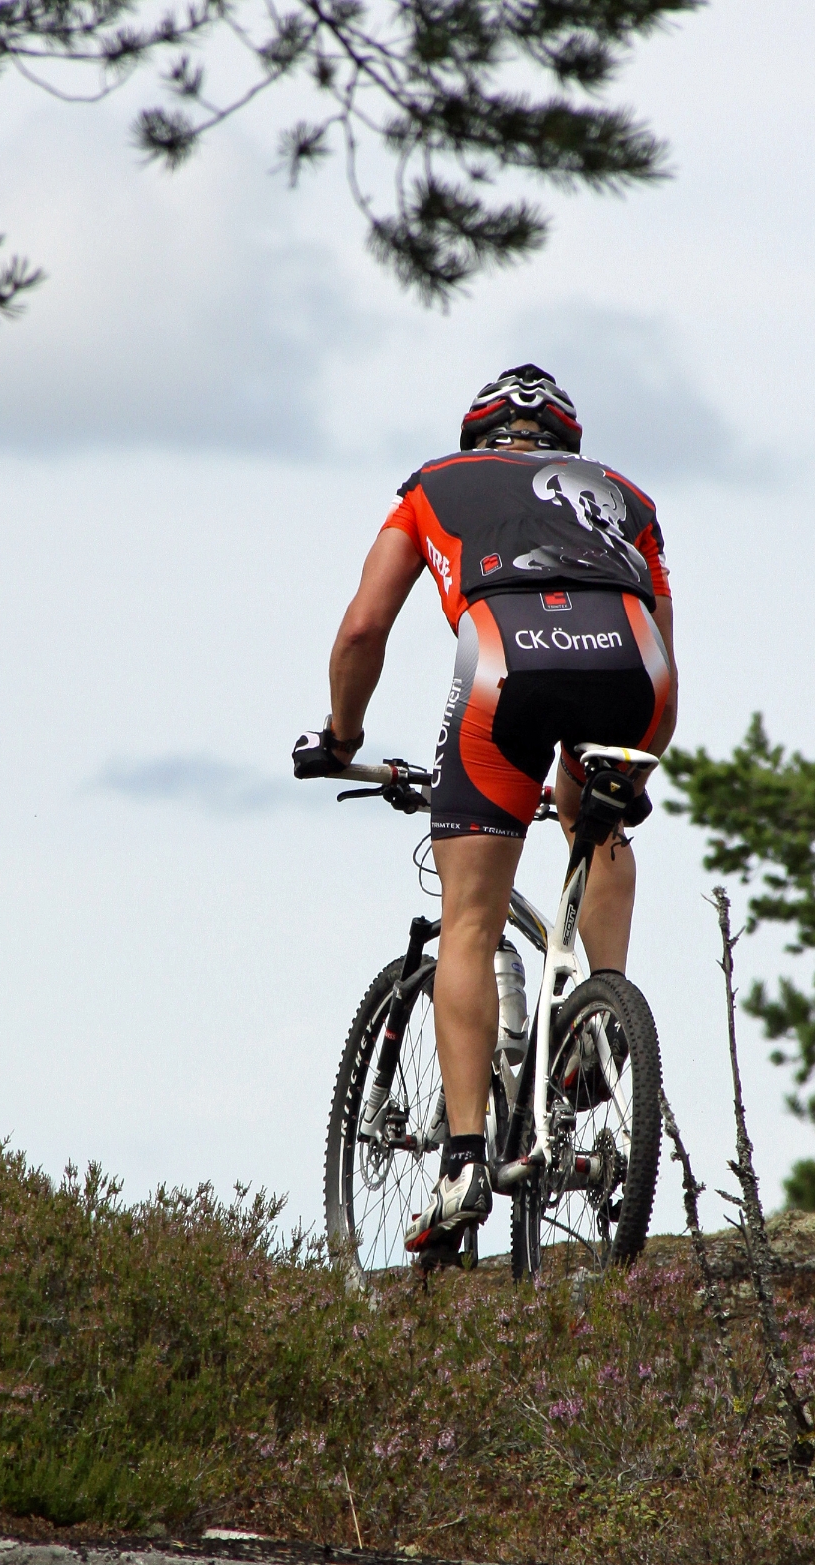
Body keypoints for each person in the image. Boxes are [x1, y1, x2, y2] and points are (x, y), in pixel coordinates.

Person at [293, 365, 677, 1252]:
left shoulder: (433, 485)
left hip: (507, 671)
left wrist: (341, 736)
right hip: (638, 676)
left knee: (467, 921)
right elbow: (662, 637)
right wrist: (632, 773)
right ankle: (597, 1022)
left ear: (479, 437)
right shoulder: (629, 500)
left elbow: (361, 631)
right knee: (600, 828)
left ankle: (465, 1159)